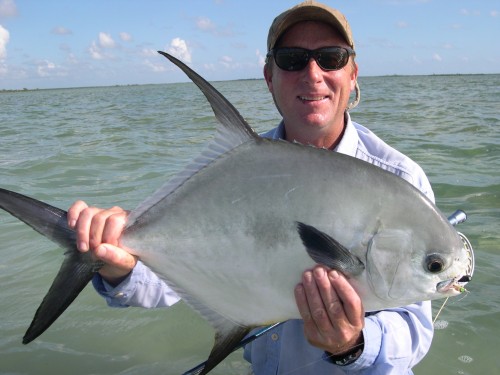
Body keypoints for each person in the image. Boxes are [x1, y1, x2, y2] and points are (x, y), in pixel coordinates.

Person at [68, 1, 435, 373]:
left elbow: (415, 332)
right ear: (268, 76)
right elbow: (167, 282)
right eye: (292, 59)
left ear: (353, 73)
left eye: (331, 57)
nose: (313, 73)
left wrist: (353, 343)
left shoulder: (401, 180)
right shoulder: (236, 168)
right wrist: (120, 265)